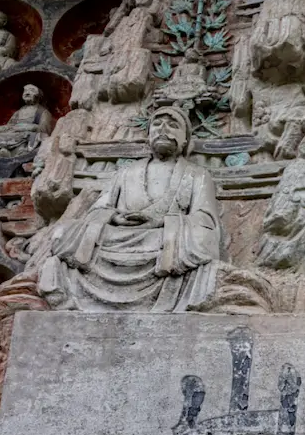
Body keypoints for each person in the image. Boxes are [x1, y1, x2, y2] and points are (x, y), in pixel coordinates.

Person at [39, 106, 222, 312]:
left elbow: (205, 219)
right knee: (63, 232)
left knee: (203, 239)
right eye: (157, 125)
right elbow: (98, 210)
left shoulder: (197, 174)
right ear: (148, 135)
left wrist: (161, 221)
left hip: (163, 240)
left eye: (172, 126)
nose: (163, 130)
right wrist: (114, 217)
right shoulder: (125, 173)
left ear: (186, 140)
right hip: (118, 236)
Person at [0, 84, 54, 158]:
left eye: (31, 90)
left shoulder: (42, 112)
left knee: (33, 138)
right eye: (25, 91)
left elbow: (45, 130)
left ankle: (14, 152)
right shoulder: (19, 112)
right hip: (13, 131)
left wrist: (33, 127)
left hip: (26, 134)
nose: (27, 93)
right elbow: (10, 125)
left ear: (38, 96)